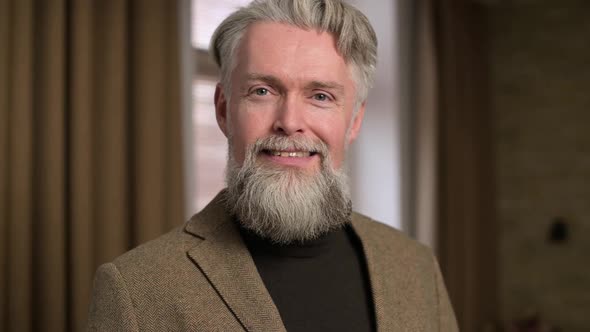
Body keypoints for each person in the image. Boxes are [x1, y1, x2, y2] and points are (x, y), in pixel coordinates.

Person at [87, 0, 458, 331]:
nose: (289, 121)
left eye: (320, 96)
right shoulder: (135, 290)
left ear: (354, 121)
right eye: (262, 91)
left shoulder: (418, 266)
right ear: (223, 109)